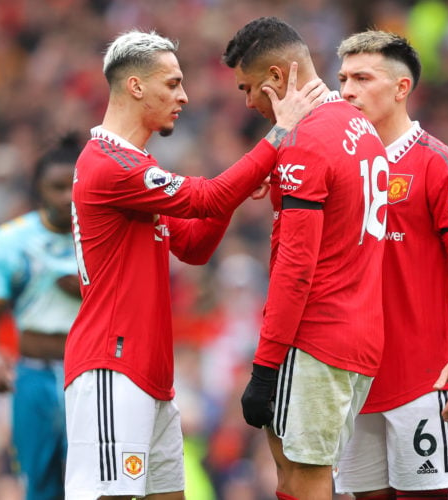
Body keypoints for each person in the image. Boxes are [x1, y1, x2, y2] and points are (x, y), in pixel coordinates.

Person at [64, 29, 327, 500]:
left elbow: (194, 246)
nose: (183, 95)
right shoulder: (109, 164)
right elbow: (207, 197)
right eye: (172, 83)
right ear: (135, 87)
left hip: (151, 375)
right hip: (111, 367)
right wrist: (279, 135)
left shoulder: (133, 166)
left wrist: (239, 188)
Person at [222, 17, 389, 500]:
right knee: (293, 474)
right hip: (357, 333)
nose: (248, 102)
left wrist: (265, 367)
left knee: (306, 476)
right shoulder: (358, 125)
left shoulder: (305, 142)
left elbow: (296, 270)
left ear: (277, 78)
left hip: (316, 335)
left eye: (250, 87)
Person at [332, 31, 448, 500]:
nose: (347, 91)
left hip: (424, 378)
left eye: (362, 78)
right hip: (355, 376)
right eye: (343, 79)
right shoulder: (339, 165)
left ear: (402, 88)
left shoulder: (437, 164)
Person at [0, 134, 84, 500]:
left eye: (73, 187)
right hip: (32, 374)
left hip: (87, 375)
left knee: (87, 481)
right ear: (38, 188)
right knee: (38, 481)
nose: (66, 197)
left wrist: (90, 291)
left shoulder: (103, 236)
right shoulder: (12, 239)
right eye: (56, 187)